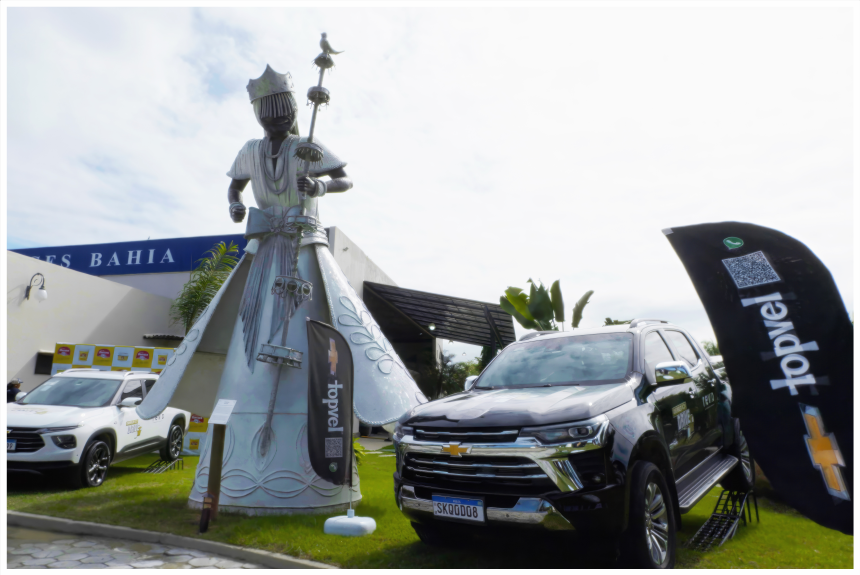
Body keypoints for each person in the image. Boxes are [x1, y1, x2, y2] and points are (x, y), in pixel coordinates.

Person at [136, 65, 424, 515]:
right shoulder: (250, 150)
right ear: (258, 116)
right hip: (265, 251)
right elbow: (235, 185)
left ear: (292, 112)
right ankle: (230, 478)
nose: (275, 122)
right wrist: (235, 204)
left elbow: (345, 178)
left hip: (302, 246)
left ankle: (317, 475)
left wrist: (321, 185)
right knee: (249, 330)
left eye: (282, 114)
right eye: (267, 116)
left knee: (320, 328)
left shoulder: (306, 145)